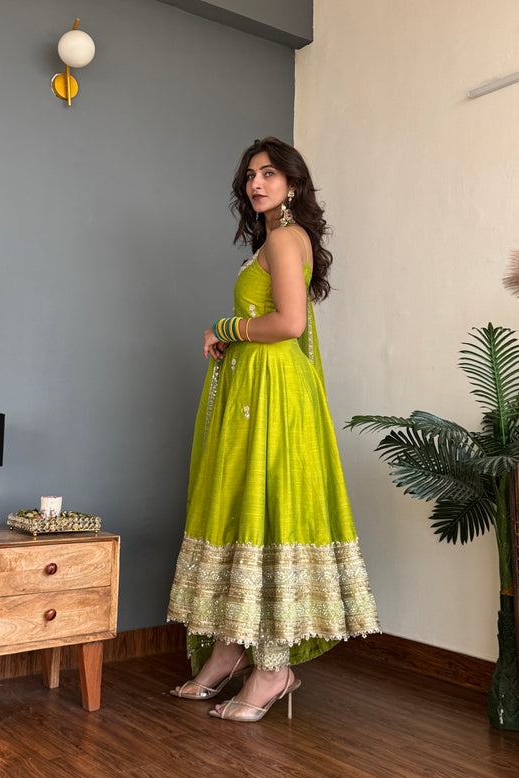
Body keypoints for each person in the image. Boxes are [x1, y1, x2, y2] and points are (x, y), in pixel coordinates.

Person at [167, 137, 380, 722]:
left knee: (266, 508)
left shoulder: (285, 238)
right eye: (249, 176)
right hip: (255, 387)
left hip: (273, 391)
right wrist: (232, 336)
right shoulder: (275, 239)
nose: (256, 183)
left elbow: (287, 323)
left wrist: (225, 328)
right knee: (244, 507)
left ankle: (273, 668)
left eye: (268, 174)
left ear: (292, 183)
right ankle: (229, 649)